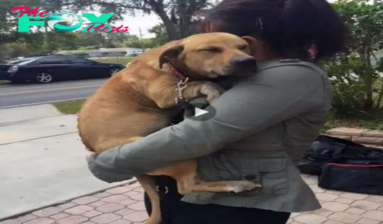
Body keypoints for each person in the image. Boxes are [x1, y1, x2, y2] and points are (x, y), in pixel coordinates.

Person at [86, 0, 348, 223]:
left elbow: (199, 132)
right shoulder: (246, 74)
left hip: (232, 206)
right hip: (189, 194)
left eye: (214, 37)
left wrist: (107, 162)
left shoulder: (290, 75)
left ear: (248, 41)